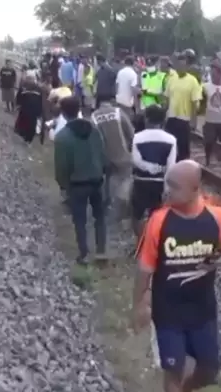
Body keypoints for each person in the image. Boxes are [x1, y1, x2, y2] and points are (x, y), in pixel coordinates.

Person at [132, 159, 221, 392]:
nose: (167, 191)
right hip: (167, 312)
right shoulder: (158, 221)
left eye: (175, 186)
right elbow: (144, 268)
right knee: (174, 369)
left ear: (195, 189)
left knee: (209, 369)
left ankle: (187, 389)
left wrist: (216, 261)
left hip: (203, 310)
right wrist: (139, 304)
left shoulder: (218, 217)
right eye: (167, 184)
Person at [54, 96, 107, 265]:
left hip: (77, 184)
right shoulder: (94, 130)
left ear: (63, 113)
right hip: (97, 180)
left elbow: (61, 166)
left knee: (80, 220)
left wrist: (63, 186)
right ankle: (101, 251)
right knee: (99, 217)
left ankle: (84, 253)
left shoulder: (62, 137)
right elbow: (102, 153)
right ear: (79, 109)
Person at [130, 104, 177, 237]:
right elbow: (171, 167)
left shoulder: (137, 137)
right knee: (157, 214)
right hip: (160, 183)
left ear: (146, 118)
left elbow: (136, 161)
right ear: (163, 120)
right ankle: (154, 240)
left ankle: (140, 240)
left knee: (137, 214)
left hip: (141, 181)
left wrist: (150, 168)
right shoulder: (171, 140)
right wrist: (167, 188)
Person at [90, 91, 135, 214]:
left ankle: (106, 205)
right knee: (125, 180)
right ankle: (121, 207)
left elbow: (92, 140)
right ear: (111, 101)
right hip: (123, 155)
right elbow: (131, 133)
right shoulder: (118, 112)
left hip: (105, 158)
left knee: (107, 181)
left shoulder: (93, 117)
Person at [164, 54, 203, 161]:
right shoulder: (171, 79)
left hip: (184, 119)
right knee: (170, 144)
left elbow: (194, 102)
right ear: (176, 65)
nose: (181, 68)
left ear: (186, 67)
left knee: (183, 146)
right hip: (171, 117)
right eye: (179, 65)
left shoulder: (192, 81)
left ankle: (184, 164)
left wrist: (193, 121)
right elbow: (167, 98)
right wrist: (164, 114)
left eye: (183, 65)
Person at [15, 76, 46, 144]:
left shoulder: (38, 90)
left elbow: (41, 101)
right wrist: (18, 105)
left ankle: (28, 138)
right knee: (26, 124)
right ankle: (25, 137)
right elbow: (18, 98)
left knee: (30, 125)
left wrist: (40, 111)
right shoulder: (24, 89)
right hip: (27, 110)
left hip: (31, 111)